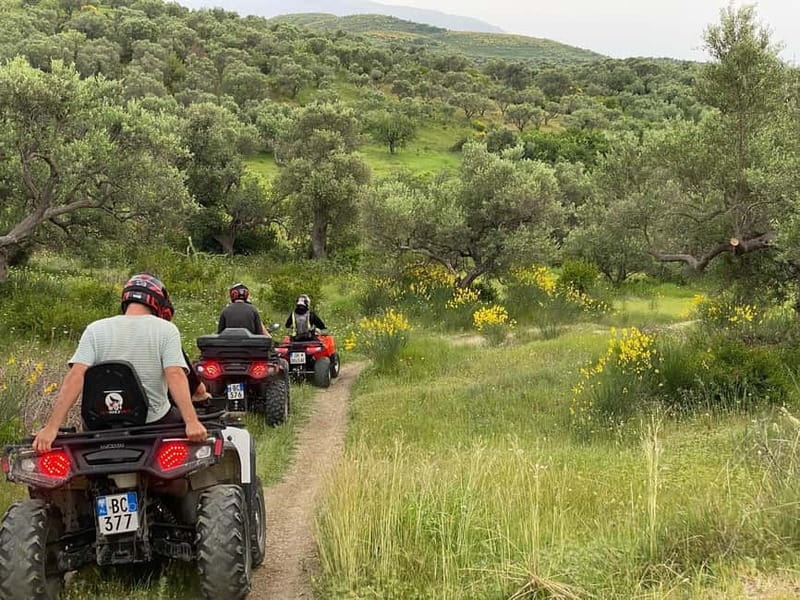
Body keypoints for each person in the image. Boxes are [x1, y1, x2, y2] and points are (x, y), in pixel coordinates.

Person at [32, 274, 207, 453]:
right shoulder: (166, 330)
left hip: (100, 424)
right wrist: (192, 422)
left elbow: (75, 376)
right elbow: (175, 374)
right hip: (153, 421)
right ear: (159, 303)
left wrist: (52, 428)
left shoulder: (95, 329)